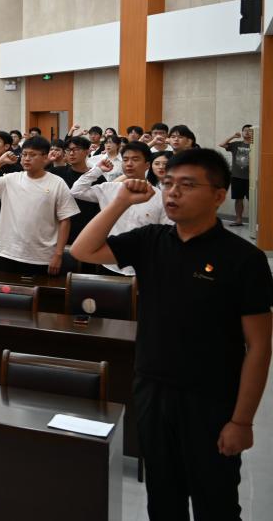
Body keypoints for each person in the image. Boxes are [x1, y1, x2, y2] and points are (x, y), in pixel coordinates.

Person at [71, 148, 272, 519]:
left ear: (219, 195)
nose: (173, 192)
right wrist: (120, 202)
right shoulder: (151, 239)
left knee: (216, 504)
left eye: (187, 185)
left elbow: (259, 346)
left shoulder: (244, 259)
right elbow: (84, 249)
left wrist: (242, 421)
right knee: (163, 501)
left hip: (210, 400)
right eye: (168, 183)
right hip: (152, 391)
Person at [0, 136, 79, 275]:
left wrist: (58, 254)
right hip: (6, 253)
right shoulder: (11, 179)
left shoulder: (57, 183)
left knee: (38, 289)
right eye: (24, 154)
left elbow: (65, 220)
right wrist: (0, 162)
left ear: (45, 157)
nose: (26, 159)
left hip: (41, 256)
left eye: (32, 155)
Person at [70, 141, 169, 275]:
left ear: (147, 165)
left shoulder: (159, 197)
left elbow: (164, 235)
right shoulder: (109, 188)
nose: (129, 164)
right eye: (125, 160)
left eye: (135, 159)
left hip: (143, 267)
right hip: (108, 264)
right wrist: (97, 170)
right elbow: (76, 191)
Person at [49, 136, 100, 244]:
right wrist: (48, 161)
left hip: (86, 231)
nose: (71, 153)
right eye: (68, 150)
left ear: (87, 151)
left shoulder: (96, 177)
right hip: (59, 230)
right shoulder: (57, 172)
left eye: (76, 149)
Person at [220, 124, 252, 226]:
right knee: (238, 199)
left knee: (253, 200)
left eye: (249, 130)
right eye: (245, 130)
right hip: (237, 176)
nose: (247, 132)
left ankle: (254, 222)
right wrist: (233, 136)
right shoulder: (237, 144)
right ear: (242, 132)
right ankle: (238, 220)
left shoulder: (256, 145)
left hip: (251, 178)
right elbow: (222, 144)